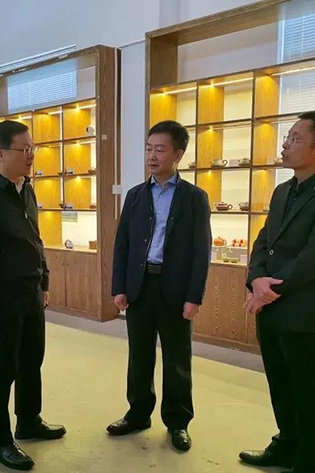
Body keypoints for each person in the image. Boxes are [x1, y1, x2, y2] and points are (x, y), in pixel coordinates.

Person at [240, 111, 315, 473]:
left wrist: (267, 289)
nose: (285, 145)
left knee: (306, 386)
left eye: (294, 138)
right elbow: (264, 240)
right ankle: (285, 444)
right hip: (271, 305)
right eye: (286, 137)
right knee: (279, 380)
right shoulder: (283, 190)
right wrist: (256, 278)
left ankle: (308, 461)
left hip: (304, 307)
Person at [0, 120, 65, 471]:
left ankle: (29, 421)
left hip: (32, 292)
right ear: (1, 153)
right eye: (25, 149)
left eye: (33, 148)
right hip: (4, 299)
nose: (31, 155)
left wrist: (44, 281)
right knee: (2, 369)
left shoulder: (25, 188)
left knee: (32, 360)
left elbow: (35, 238)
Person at [107, 120, 211, 452]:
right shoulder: (136, 196)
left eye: (160, 150)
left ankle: (178, 422)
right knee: (139, 355)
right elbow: (122, 244)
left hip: (175, 290)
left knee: (177, 359)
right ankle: (138, 414)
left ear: (178, 154)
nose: (152, 156)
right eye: (149, 149)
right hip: (140, 287)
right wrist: (119, 286)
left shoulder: (194, 198)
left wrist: (194, 296)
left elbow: (201, 250)